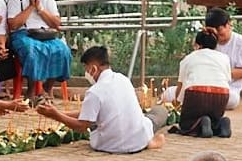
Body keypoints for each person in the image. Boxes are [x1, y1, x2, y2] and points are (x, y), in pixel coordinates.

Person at [37, 46, 167, 153]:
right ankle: (148, 141)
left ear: (93, 69)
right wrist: (57, 113)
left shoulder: (94, 92)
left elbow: (82, 125)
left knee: (147, 116)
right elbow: (87, 116)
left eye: (86, 69)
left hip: (111, 144)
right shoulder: (123, 79)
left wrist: (56, 115)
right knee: (159, 111)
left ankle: (148, 140)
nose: (86, 73)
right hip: (137, 139)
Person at [6, 0, 72, 102]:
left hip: (45, 34)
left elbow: (56, 23)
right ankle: (30, 92)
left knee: (62, 50)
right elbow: (13, 25)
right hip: (23, 34)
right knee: (31, 50)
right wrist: (30, 6)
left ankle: (46, 89)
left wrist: (40, 8)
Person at [170, 30, 232, 138]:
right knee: (214, 117)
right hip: (222, 94)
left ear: (198, 45)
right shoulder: (224, 58)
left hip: (196, 94)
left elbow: (181, 85)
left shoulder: (188, 58)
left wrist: (177, 101)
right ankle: (220, 124)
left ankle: (201, 123)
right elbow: (227, 80)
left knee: (186, 123)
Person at [204, 7, 242, 109]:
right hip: (204, 86)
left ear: (229, 24)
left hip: (228, 89)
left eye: (220, 30)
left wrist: (219, 72)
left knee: (231, 99)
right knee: (170, 93)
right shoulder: (207, 41)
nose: (218, 35)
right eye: (214, 32)